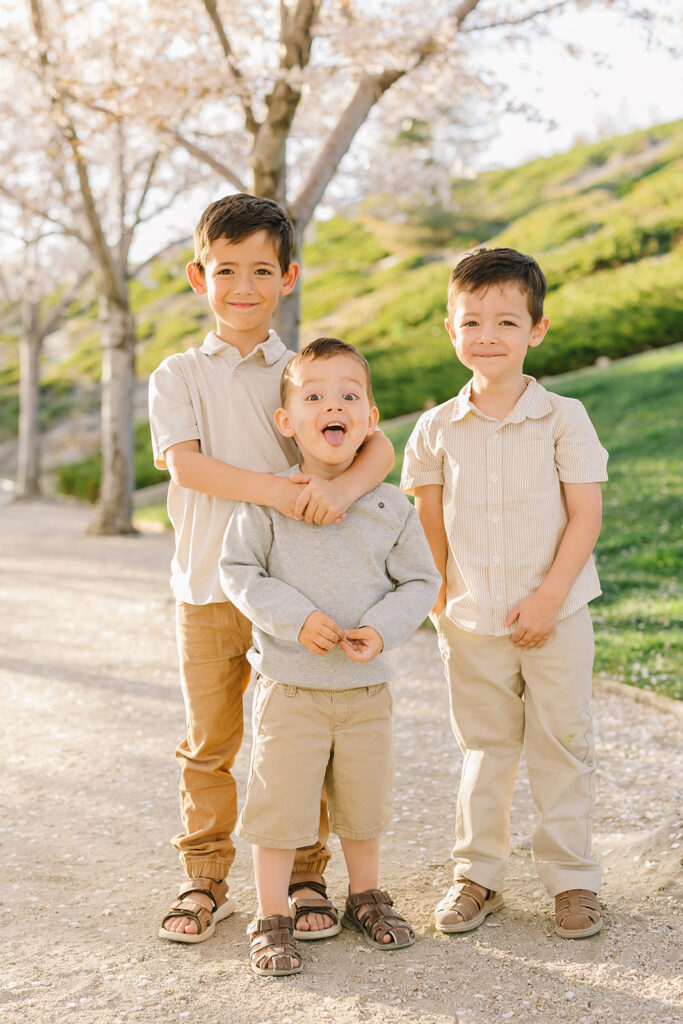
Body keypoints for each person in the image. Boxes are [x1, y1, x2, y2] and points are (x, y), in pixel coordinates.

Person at [148, 194, 394, 944]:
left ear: (288, 277)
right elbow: (187, 467)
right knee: (211, 741)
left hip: (298, 591)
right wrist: (282, 491)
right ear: (199, 277)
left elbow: (378, 443)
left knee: (302, 735)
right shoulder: (179, 373)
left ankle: (305, 873)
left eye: (262, 270)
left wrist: (339, 488)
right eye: (226, 270)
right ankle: (205, 876)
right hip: (207, 585)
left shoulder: (306, 370)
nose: (244, 286)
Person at [402, 247, 608, 939]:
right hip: (468, 621)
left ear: (536, 330)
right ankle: (478, 876)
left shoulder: (562, 418)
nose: (487, 335)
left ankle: (572, 880)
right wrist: (435, 604)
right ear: (449, 329)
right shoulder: (433, 430)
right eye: (471, 321)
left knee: (561, 745)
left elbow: (584, 516)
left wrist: (549, 597)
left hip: (557, 612)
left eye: (505, 321)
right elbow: (427, 526)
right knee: (485, 750)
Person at [219, 337, 441, 976]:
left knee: (363, 802)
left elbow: (420, 583)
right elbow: (239, 572)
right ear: (287, 422)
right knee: (280, 804)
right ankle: (272, 915)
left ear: (370, 418)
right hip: (290, 688)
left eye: (349, 395)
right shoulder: (271, 502)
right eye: (313, 396)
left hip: (365, 686)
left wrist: (381, 627)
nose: (332, 406)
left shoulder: (389, 508)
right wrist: (298, 619)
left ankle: (366, 895)